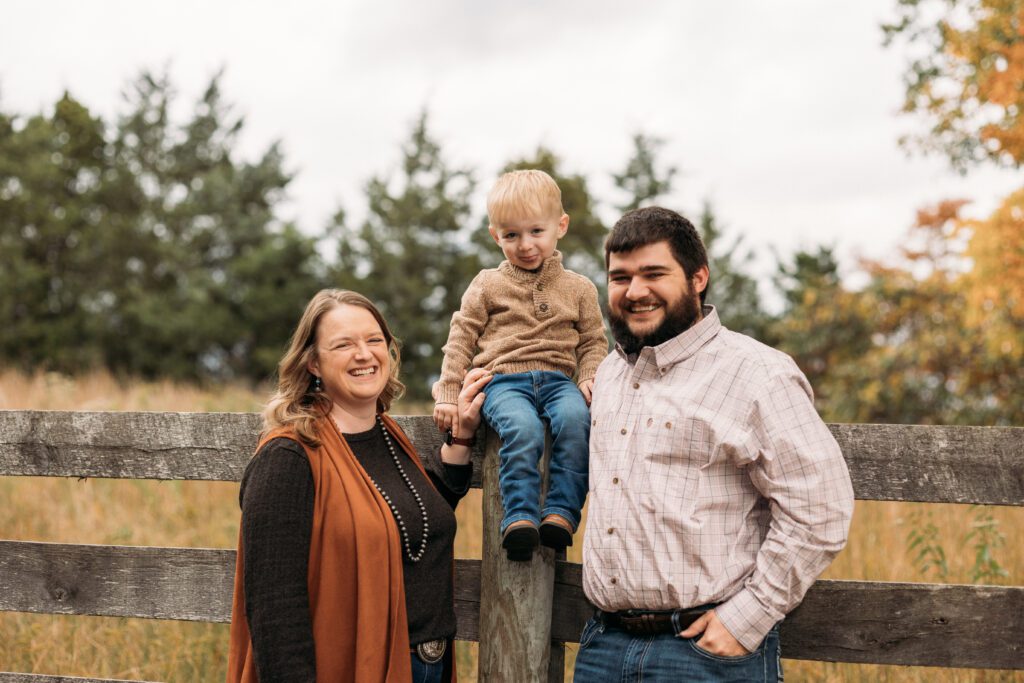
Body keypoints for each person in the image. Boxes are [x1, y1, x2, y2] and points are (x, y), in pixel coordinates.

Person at [574, 207, 854, 682]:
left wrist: (749, 617)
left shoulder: (757, 373)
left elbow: (821, 507)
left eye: (653, 274)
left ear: (698, 277)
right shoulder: (609, 374)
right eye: (619, 277)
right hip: (603, 647)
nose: (634, 291)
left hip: (706, 654)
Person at [226, 289, 491, 683]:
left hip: (427, 666)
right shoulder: (288, 457)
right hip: (351, 668)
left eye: (373, 341)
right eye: (343, 345)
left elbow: (409, 519)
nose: (364, 354)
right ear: (313, 362)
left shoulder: (387, 435)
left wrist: (462, 439)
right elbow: (274, 607)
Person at [433, 169, 607, 562]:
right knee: (523, 428)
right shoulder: (486, 284)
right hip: (503, 381)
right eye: (511, 235)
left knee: (576, 422)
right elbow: (461, 338)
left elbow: (594, 340)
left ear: (560, 226)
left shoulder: (580, 288)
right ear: (496, 236)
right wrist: (447, 393)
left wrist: (591, 374)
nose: (525, 245)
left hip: (559, 381)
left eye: (535, 232)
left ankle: (561, 513)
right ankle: (520, 518)